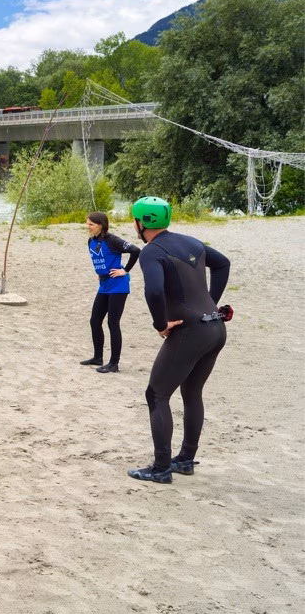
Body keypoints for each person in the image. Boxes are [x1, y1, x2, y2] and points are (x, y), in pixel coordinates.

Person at [127, 196, 230, 484]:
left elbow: (155, 291)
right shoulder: (192, 242)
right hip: (216, 327)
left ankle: (161, 467)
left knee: (156, 394)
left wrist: (160, 323)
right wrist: (211, 302)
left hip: (190, 332)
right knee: (191, 392)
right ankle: (184, 460)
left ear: (141, 222)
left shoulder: (151, 251)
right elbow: (222, 264)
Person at [80, 211, 141, 373]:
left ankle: (114, 363)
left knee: (112, 323)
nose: (88, 227)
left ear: (101, 225)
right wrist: (100, 274)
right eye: (87, 224)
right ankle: (98, 357)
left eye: (91, 224)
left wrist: (125, 271)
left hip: (118, 285)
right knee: (94, 320)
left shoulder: (112, 239)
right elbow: (100, 259)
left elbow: (136, 250)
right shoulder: (91, 241)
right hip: (105, 284)